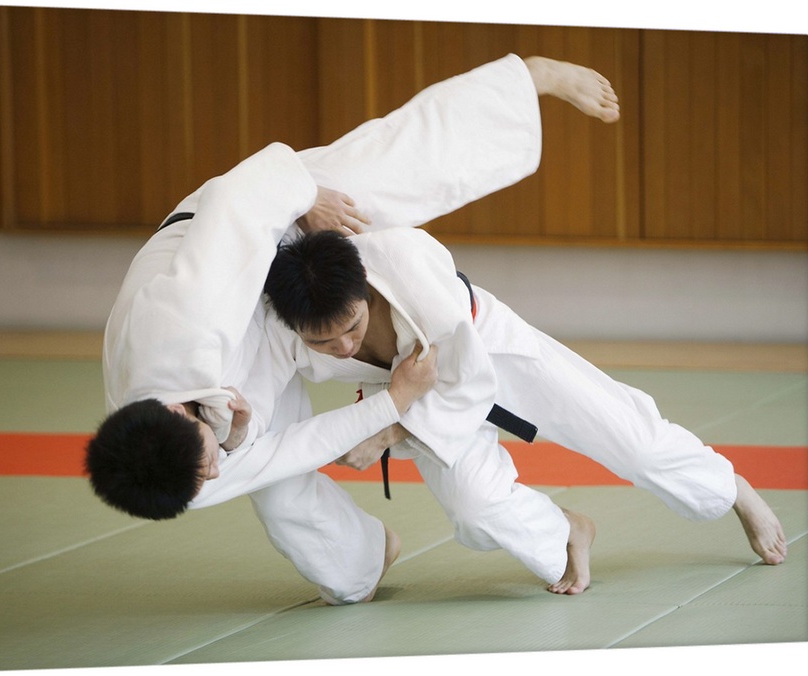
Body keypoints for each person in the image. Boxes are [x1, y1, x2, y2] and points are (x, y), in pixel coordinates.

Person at [86, 53, 623, 603]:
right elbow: (292, 450)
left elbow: (234, 197)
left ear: (176, 411)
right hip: (235, 369)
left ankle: (530, 79)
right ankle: (363, 559)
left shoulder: (185, 316)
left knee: (394, 167)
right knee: (285, 500)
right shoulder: (170, 471)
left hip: (247, 231)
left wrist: (303, 199)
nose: (214, 474)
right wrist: (376, 407)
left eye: (207, 461)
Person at [261, 227, 789, 595]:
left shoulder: (407, 262)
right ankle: (566, 528)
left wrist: (382, 432)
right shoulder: (275, 324)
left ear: (367, 289)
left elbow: (466, 376)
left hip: (492, 354)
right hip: (415, 402)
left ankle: (730, 488)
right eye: (323, 343)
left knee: (636, 444)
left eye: (352, 327)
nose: (345, 347)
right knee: (475, 511)